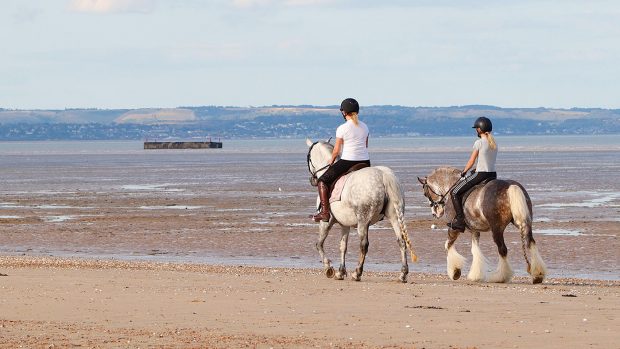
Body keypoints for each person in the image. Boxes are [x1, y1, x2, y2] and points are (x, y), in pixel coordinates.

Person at [312, 98, 370, 222]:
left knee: (322, 181)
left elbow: (336, 150)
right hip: (365, 162)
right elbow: (365, 146)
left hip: (348, 162)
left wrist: (331, 161)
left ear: (344, 112)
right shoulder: (365, 127)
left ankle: (325, 213)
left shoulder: (342, 128)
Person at [447, 116, 498, 232]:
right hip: (492, 175)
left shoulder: (479, 142)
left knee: (454, 192)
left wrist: (464, 171)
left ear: (479, 129)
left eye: (476, 129)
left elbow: (471, 160)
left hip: (481, 175)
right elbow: (487, 161)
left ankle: (459, 221)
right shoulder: (494, 143)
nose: (476, 130)